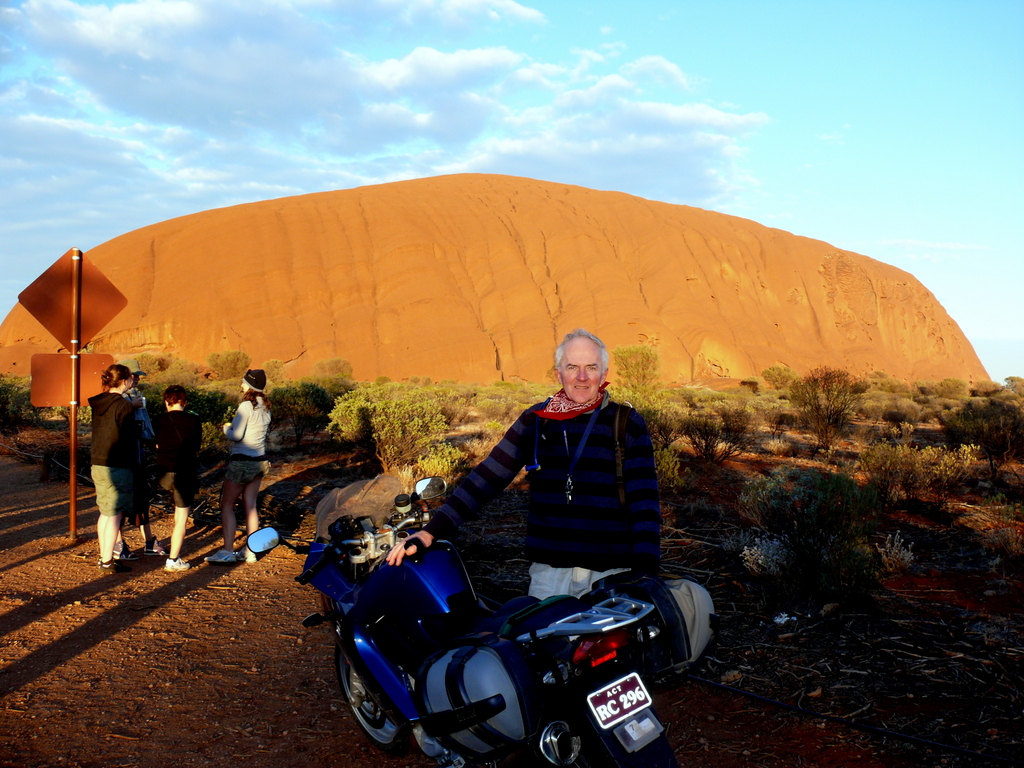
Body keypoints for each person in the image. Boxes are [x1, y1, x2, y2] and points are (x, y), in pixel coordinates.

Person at [386, 329, 661, 599]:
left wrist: (646, 573)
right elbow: (487, 478)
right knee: (544, 644)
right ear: (558, 373)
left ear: (604, 374)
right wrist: (429, 533)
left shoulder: (626, 423)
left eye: (591, 367)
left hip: (612, 573)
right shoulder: (536, 420)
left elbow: (645, 502)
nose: (581, 377)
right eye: (572, 367)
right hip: (551, 575)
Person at [206, 369, 272, 564]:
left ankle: (227, 550)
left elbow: (237, 436)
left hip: (241, 462)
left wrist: (227, 429)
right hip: (259, 462)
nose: (241, 385)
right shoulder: (267, 407)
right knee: (250, 506)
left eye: (244, 382)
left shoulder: (245, 406)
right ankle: (251, 551)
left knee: (227, 505)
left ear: (250, 385)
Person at [112, 359, 166, 560]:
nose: (136, 379)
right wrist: (131, 406)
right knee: (119, 502)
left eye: (138, 376)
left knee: (141, 498)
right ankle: (118, 543)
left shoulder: (136, 397)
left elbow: (145, 429)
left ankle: (149, 542)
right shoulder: (117, 400)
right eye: (132, 375)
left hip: (138, 455)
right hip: (122, 458)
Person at [89, 364, 140, 574]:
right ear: (126, 380)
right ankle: (108, 561)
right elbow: (127, 437)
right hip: (117, 464)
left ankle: (105, 556)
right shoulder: (124, 405)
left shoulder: (99, 402)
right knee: (115, 514)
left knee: (105, 511)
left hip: (98, 462)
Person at [154, 385, 203, 572]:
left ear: (167, 402)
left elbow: (157, 445)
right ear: (185, 402)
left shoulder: (159, 419)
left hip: (164, 473)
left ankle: (171, 553)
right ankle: (173, 560)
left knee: (176, 508)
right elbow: (196, 445)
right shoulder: (194, 420)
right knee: (182, 517)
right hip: (185, 472)